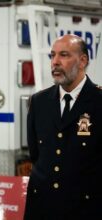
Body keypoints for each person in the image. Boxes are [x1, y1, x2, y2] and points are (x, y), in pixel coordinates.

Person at [24, 34, 102, 219]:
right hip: (42, 208)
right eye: (52, 55)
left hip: (85, 209)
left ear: (82, 61)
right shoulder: (39, 102)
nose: (55, 62)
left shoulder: (98, 102)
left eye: (64, 55)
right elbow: (36, 154)